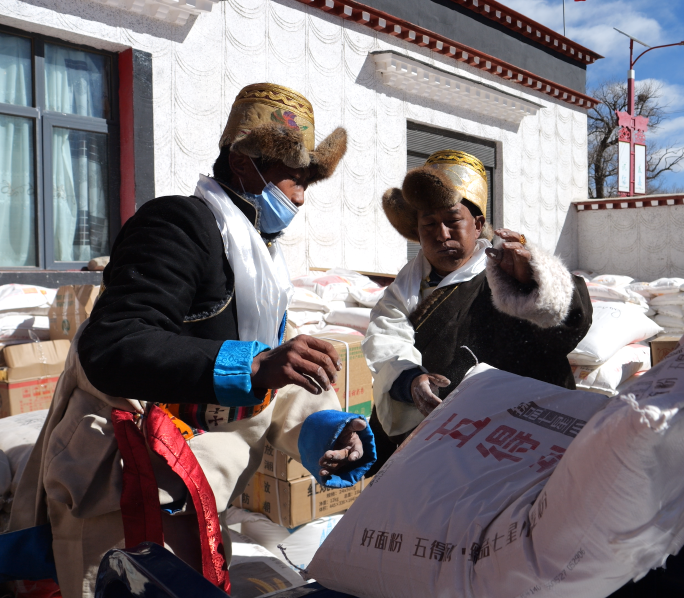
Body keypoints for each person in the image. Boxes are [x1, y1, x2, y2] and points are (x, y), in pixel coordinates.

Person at [2, 83, 374, 598]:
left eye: (309, 183)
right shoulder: (177, 224)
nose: (300, 197)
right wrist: (253, 366)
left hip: (197, 491)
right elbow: (114, 344)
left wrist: (330, 429)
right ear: (244, 163)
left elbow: (275, 370)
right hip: (125, 488)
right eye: (293, 177)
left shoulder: (261, 263)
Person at [363, 150, 592, 464]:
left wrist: (534, 284)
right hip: (442, 450)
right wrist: (410, 381)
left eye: (452, 221)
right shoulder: (403, 289)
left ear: (477, 224)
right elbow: (385, 341)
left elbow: (568, 328)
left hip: (518, 445)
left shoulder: (506, 275)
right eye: (429, 224)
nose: (441, 234)